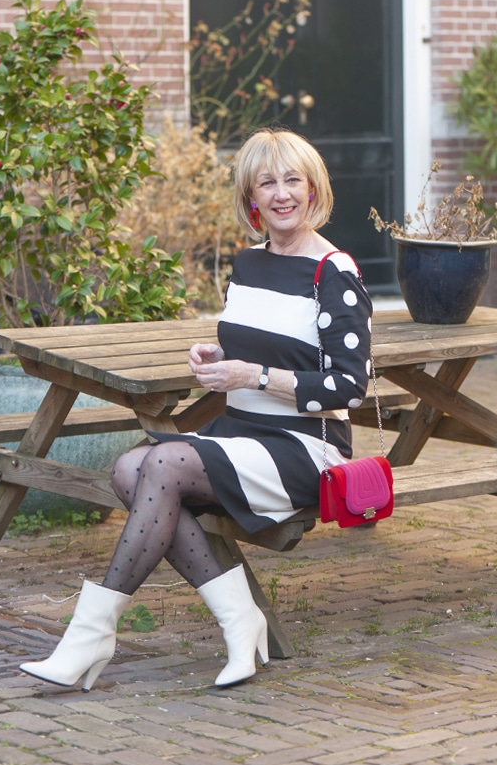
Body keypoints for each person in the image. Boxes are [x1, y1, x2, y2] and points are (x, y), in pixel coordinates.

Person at [20, 127, 373, 691]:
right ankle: (240, 620)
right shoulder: (250, 264)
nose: (281, 194)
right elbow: (260, 345)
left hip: (305, 445)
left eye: (292, 181)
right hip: (241, 431)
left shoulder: (334, 273)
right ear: (250, 197)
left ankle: (91, 634)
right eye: (267, 183)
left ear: (313, 190)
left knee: (159, 466)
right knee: (128, 470)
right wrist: (217, 357)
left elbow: (349, 387)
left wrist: (250, 375)